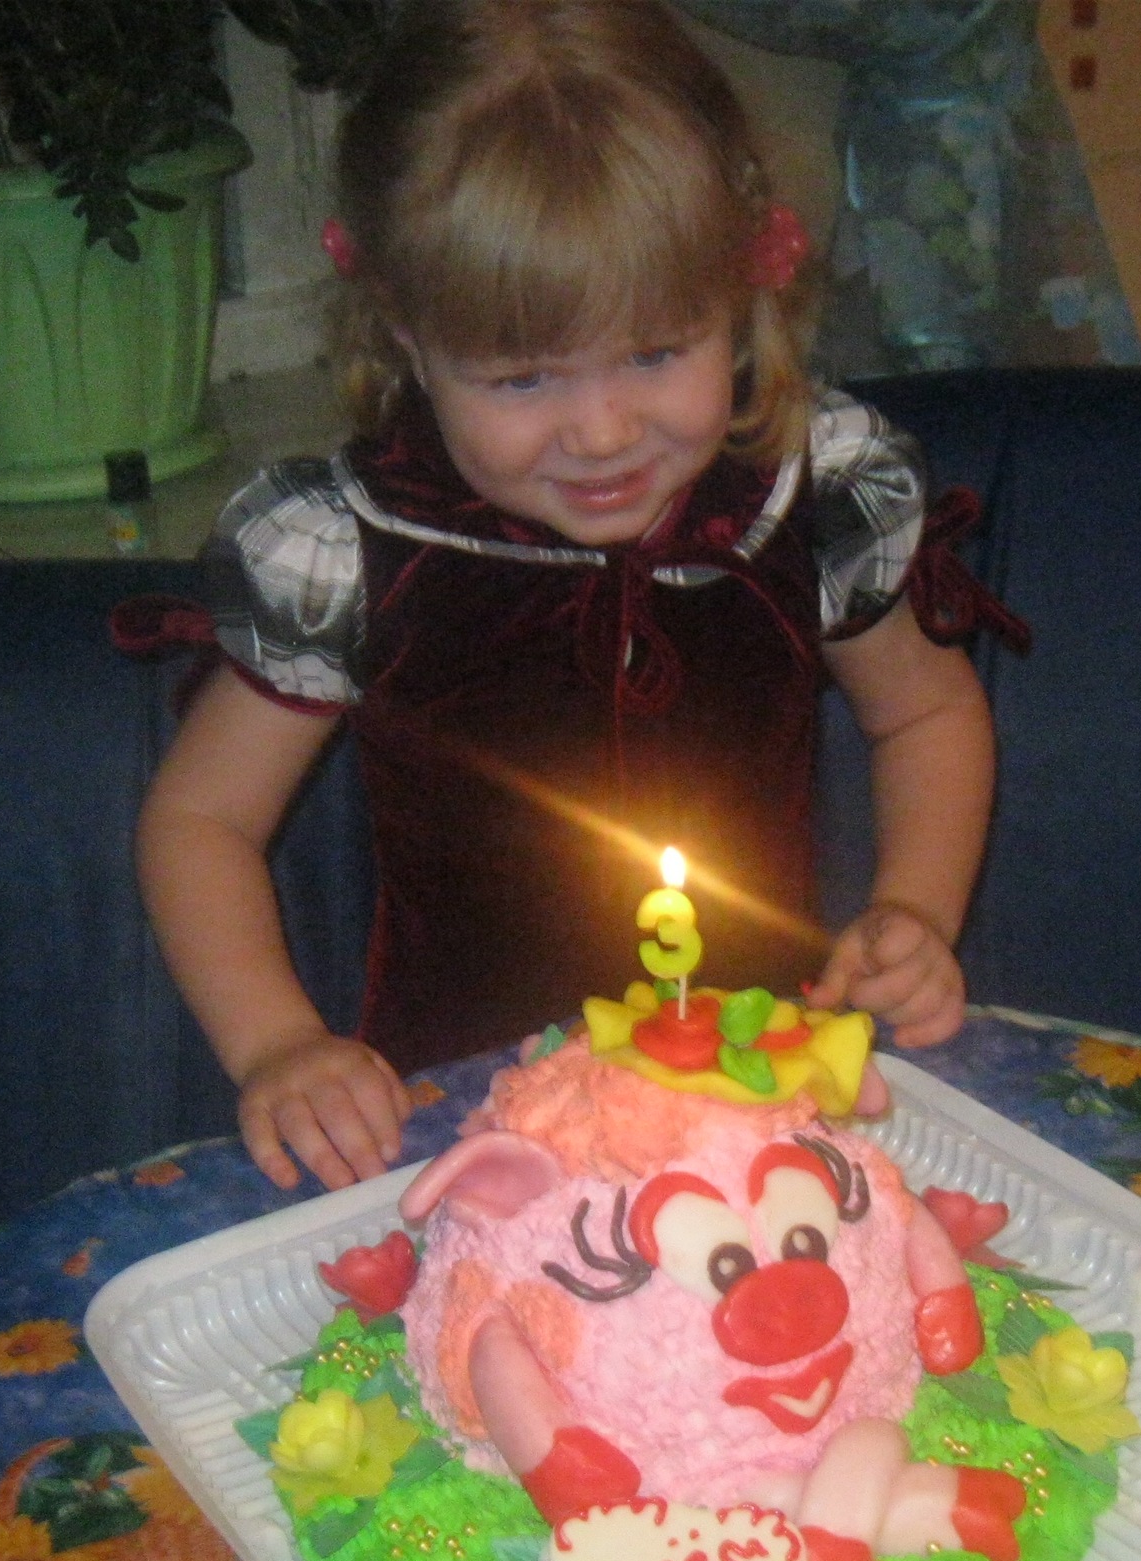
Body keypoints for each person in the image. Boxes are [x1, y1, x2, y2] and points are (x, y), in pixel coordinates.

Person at [135, 0, 1025, 1193]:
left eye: (656, 353)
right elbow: (201, 821)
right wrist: (279, 1045)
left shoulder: (808, 493)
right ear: (404, 331)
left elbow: (925, 711)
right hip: (473, 1139)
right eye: (522, 378)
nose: (601, 433)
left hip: (758, 1111)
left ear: (744, 289)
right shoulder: (349, 549)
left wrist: (915, 910)